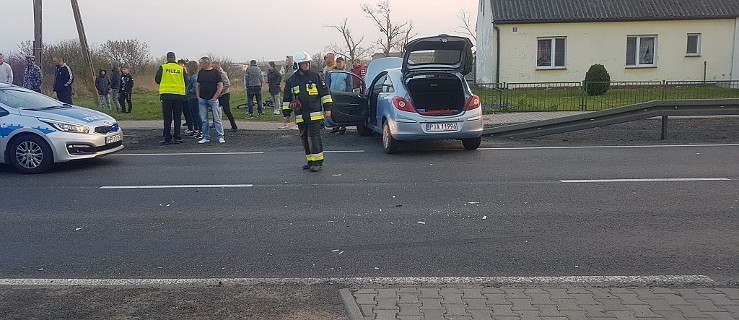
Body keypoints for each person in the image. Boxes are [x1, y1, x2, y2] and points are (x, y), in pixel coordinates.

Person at [283, 51, 333, 172]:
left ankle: (318, 162)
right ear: (297, 65)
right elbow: (286, 99)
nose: (307, 65)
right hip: (300, 115)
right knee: (304, 138)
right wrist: (286, 114)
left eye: (308, 63)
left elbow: (325, 93)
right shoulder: (291, 81)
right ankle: (310, 160)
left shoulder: (315, 77)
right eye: (304, 63)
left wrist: (327, 108)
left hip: (314, 114)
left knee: (314, 137)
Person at [155, 51, 187, 145]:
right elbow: (186, 81)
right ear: (175, 58)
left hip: (167, 95)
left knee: (167, 117)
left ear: (167, 58)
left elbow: (157, 79)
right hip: (179, 95)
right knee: (177, 117)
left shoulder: (163, 67)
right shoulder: (181, 68)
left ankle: (167, 137)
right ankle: (177, 137)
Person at [196, 57, 225, 144]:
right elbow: (198, 85)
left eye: (201, 63)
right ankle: (206, 136)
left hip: (213, 99)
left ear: (206, 63)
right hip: (202, 98)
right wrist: (198, 96)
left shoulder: (215, 73)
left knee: (217, 119)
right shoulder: (201, 72)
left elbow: (220, 85)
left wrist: (215, 96)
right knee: (204, 120)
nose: (200, 65)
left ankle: (220, 136)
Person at [326, 57, 352, 134]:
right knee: (333, 111)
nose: (339, 64)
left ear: (344, 63)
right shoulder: (331, 72)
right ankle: (335, 127)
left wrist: (347, 95)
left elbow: (349, 85)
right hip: (332, 95)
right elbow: (328, 83)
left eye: (340, 62)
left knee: (342, 111)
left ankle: (343, 127)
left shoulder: (346, 74)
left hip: (342, 95)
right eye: (337, 62)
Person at [213, 61, 238, 132]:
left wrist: (220, 91)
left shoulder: (222, 74)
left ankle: (234, 126)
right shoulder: (216, 73)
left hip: (224, 94)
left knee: (226, 110)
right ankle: (215, 123)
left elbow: (227, 84)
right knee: (215, 108)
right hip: (219, 94)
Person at [185, 61, 202, 139]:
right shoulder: (191, 77)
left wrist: (188, 91)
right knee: (193, 114)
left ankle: (200, 130)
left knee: (196, 114)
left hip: (194, 97)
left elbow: (195, 88)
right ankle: (196, 129)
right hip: (190, 97)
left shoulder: (194, 77)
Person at [177, 59, 193, 133]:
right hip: (181, 94)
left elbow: (187, 83)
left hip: (186, 95)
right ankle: (189, 125)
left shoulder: (186, 73)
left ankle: (191, 127)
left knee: (188, 112)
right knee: (185, 112)